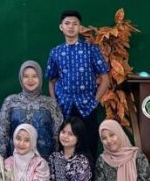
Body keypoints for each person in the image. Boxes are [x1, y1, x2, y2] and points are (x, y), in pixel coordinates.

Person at [45, 10, 110, 158]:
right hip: (64, 107)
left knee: (89, 145)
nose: (71, 27)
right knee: (65, 146)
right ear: (61, 27)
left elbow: (105, 78)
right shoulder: (55, 52)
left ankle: (89, 173)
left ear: (80, 28)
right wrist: (55, 104)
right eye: (67, 23)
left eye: (75, 24)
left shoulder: (91, 49)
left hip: (87, 106)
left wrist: (95, 101)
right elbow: (51, 81)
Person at [0, 60, 63, 159]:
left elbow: (57, 135)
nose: (30, 80)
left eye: (34, 76)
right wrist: (0, 161)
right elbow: (3, 135)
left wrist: (56, 162)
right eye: (26, 76)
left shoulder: (50, 104)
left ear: (40, 78)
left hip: (44, 162)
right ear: (21, 78)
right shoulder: (10, 102)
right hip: (15, 162)